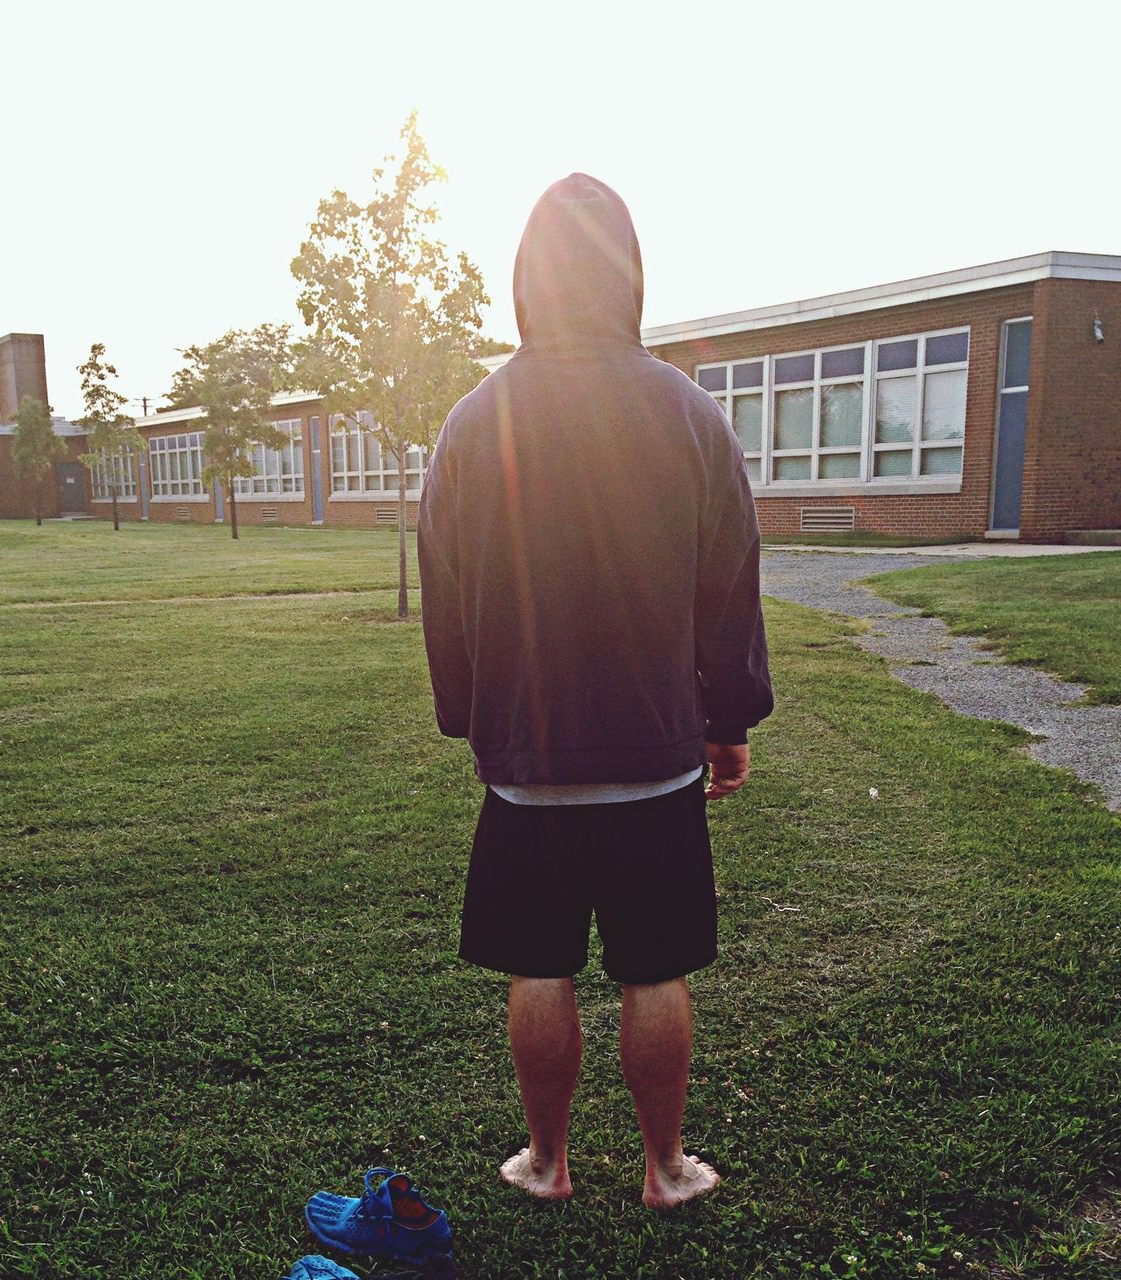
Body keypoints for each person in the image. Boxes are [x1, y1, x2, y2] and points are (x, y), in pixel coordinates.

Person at [416, 173, 773, 1209]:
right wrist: (729, 721)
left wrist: (467, 712)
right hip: (659, 759)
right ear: (627, 278)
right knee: (656, 969)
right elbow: (729, 581)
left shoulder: (473, 422)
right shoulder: (691, 415)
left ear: (526, 280)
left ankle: (548, 1164)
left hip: (528, 762)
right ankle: (666, 1170)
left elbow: (445, 586)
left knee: (542, 963)